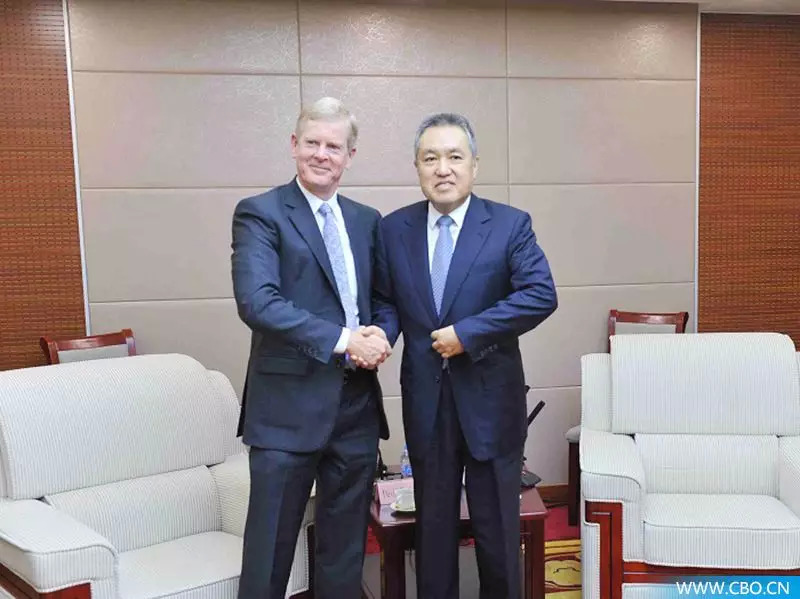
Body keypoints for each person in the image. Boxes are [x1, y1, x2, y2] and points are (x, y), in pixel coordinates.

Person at [370, 113, 557, 599]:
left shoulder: (509, 225)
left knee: (497, 530)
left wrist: (468, 334)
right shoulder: (392, 229)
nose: (443, 168)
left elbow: (540, 294)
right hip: (426, 400)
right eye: (430, 158)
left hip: (491, 401)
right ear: (416, 167)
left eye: (455, 156)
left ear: (475, 164)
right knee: (432, 529)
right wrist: (381, 336)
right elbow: (385, 301)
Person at [231, 97, 391, 599]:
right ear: (294, 145)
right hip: (286, 410)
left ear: (350, 155)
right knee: (270, 552)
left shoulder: (367, 220)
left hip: (356, 408)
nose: (322, 154)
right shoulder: (260, 213)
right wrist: (345, 340)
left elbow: (383, 300)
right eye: (312, 143)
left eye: (334, 146)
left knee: (345, 553)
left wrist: (382, 335)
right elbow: (258, 302)